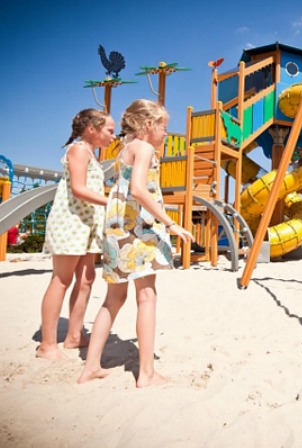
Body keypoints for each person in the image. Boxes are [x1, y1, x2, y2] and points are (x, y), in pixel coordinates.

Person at [78, 99, 193, 387]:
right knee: (147, 297)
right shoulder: (144, 148)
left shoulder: (125, 148)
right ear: (149, 125)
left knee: (113, 299)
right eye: (164, 127)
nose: (167, 133)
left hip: (116, 230)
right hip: (137, 231)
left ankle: (91, 366)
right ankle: (147, 374)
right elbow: (139, 190)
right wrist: (170, 222)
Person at [37, 109, 115, 360]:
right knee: (61, 279)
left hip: (88, 223)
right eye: (109, 131)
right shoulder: (78, 150)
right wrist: (112, 200)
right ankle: (47, 345)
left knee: (86, 279)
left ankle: (74, 336)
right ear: (92, 128)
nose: (113, 136)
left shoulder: (91, 155)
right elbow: (79, 189)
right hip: (71, 222)